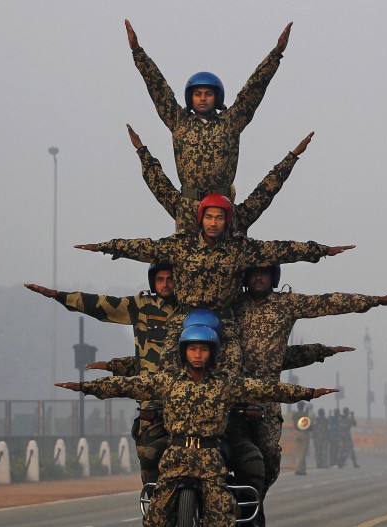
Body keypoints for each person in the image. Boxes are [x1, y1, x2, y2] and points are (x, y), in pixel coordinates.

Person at [56, 324, 336, 527]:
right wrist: (84, 387)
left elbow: (266, 389)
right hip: (176, 456)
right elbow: (128, 385)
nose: (198, 354)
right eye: (192, 349)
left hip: (211, 458)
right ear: (184, 352)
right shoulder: (167, 382)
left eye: (203, 349)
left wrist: (309, 393)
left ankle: (234, 526)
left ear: (212, 352)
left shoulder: (226, 383)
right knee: (154, 526)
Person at [75, 194, 354, 373]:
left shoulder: (240, 249)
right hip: (185, 315)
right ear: (201, 220)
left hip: (224, 318)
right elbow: (144, 248)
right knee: (167, 364)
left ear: (226, 221)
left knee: (234, 363)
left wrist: (320, 251)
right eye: (208, 217)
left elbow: (281, 250)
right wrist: (105, 247)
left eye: (219, 217)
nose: (213, 222)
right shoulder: (181, 247)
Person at [235, 263, 387, 495]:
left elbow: (328, 302)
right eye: (253, 273)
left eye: (263, 273)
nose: (258, 278)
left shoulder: (286, 304)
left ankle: (254, 504)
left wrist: (374, 301)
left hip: (267, 395)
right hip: (228, 392)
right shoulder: (232, 305)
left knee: (269, 454)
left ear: (273, 277)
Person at [24, 263, 176, 484]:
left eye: (170, 278)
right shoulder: (141, 306)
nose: (165, 284)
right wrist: (59, 296)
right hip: (151, 402)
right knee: (148, 460)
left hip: (188, 398)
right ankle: (154, 506)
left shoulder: (192, 310)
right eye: (160, 279)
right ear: (153, 282)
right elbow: (102, 304)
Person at [125, 19, 292, 206]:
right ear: (191, 98)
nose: (202, 98)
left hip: (221, 208)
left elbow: (252, 91)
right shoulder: (179, 122)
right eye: (197, 94)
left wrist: (276, 54)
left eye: (208, 94)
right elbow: (159, 90)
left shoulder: (231, 122)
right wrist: (138, 52)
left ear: (217, 97)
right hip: (189, 207)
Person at [127, 124, 313, 236]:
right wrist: (141, 151)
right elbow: (159, 184)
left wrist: (292, 156)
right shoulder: (183, 210)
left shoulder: (237, 218)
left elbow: (266, 189)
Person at [292, 402, 311, 475]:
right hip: (304, 433)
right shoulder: (305, 414)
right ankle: (299, 468)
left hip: (296, 433)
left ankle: (302, 469)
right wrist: (307, 410)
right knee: (303, 452)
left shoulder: (295, 414)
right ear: (303, 407)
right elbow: (307, 423)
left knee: (298, 451)